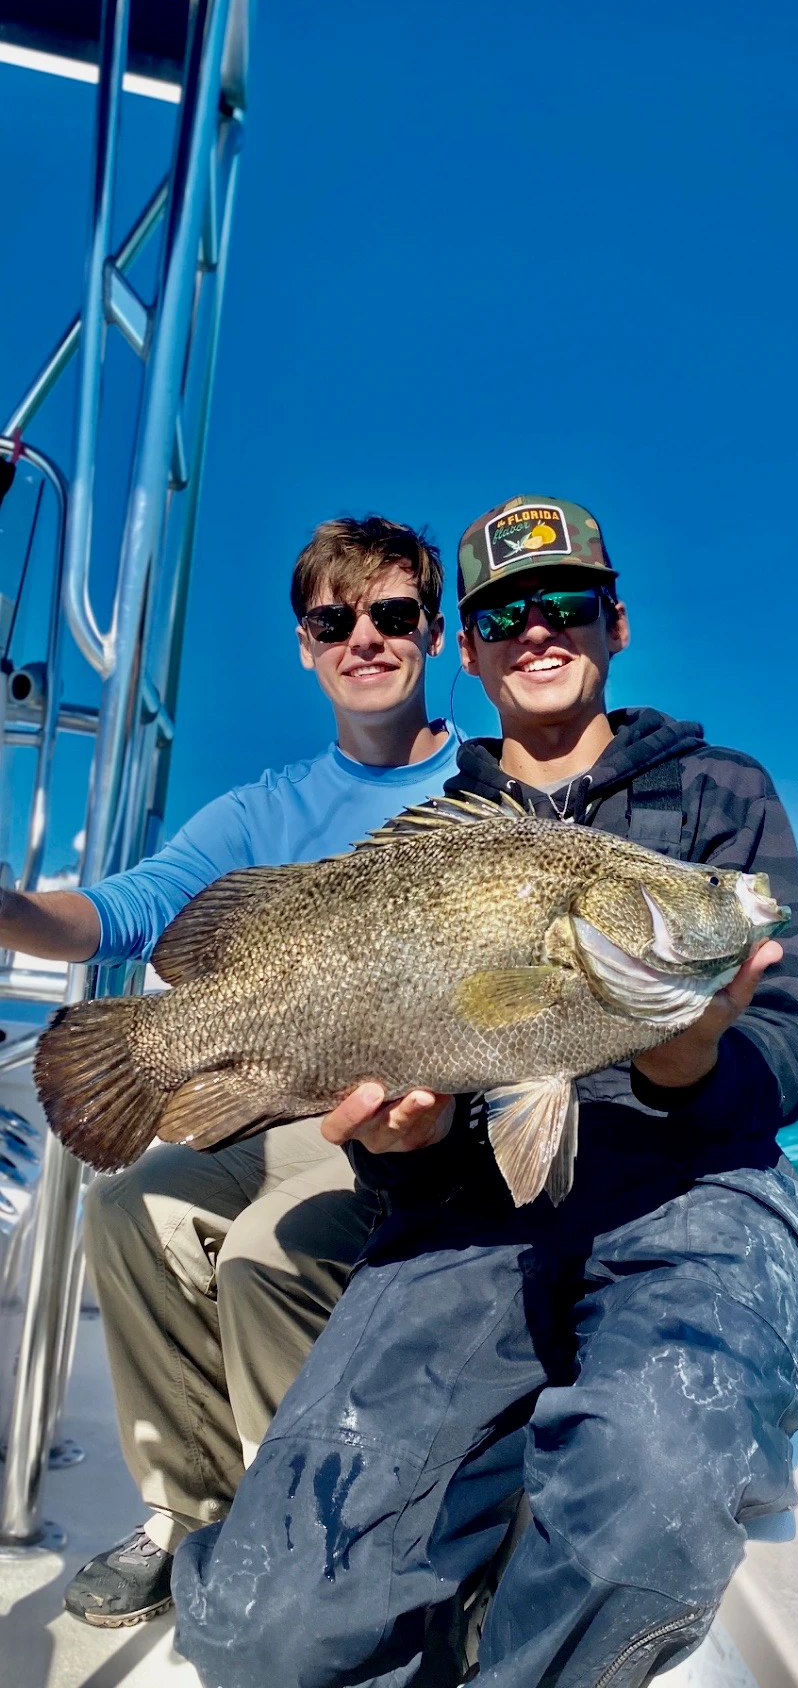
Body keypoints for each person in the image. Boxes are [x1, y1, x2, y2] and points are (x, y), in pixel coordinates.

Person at [170, 494, 798, 1688]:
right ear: (467, 651)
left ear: (615, 624)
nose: (538, 630)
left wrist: (691, 1065)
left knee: (653, 1481)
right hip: (474, 1210)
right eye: (504, 613)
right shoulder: (436, 832)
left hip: (703, 1194)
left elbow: (794, 1035)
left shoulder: (722, 793)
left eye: (566, 603)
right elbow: (416, 1108)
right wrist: (402, 1145)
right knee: (260, 1630)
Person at [0, 513, 462, 1629]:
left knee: (261, 1253)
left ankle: (305, 1522)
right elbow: (125, 911)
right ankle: (190, 1511)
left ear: (434, 635)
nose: (365, 637)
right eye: (333, 619)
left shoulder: (483, 791)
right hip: (272, 1093)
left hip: (415, 1123)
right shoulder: (263, 808)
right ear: (305, 645)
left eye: (393, 615)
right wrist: (10, 908)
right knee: (125, 1207)